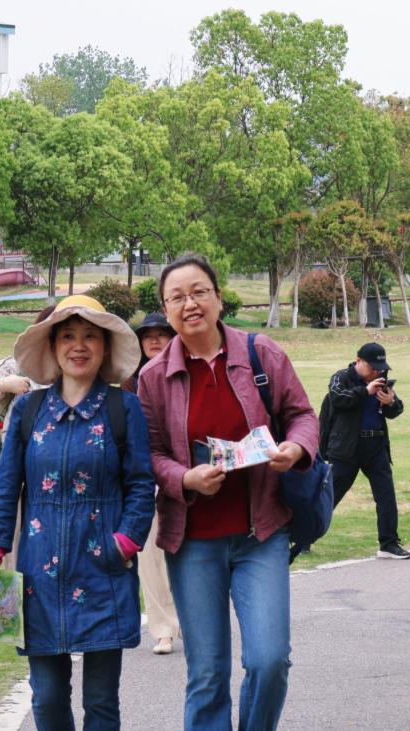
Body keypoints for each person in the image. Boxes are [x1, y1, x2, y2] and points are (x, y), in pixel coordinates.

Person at [137, 253, 319, 731]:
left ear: (219, 298)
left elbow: (302, 414)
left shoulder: (262, 353)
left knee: (269, 660)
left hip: (261, 534)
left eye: (199, 292)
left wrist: (296, 448)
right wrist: (184, 478)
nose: (190, 304)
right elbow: (149, 453)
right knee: (207, 674)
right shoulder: (153, 378)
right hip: (193, 540)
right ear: (166, 309)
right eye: (177, 297)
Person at [0, 295, 153, 731]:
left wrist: (124, 542)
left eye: (90, 336)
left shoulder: (123, 408)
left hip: (103, 570)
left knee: (101, 703)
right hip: (38, 575)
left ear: (105, 348)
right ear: (53, 348)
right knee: (48, 697)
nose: (79, 345)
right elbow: (6, 487)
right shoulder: (28, 410)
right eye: (68, 336)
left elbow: (141, 484)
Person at [0, 305, 56, 570]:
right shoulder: (17, 366)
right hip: (16, 468)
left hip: (60, 473)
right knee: (13, 547)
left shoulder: (77, 370)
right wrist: (3, 385)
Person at [121, 312, 181, 656]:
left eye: (162, 334)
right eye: (148, 336)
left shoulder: (185, 375)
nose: (155, 340)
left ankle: (189, 619)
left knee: (186, 554)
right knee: (149, 557)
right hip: (145, 481)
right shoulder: (129, 382)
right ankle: (162, 630)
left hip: (185, 478)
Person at [326, 342, 410, 560]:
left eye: (380, 368)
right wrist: (365, 391)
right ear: (358, 360)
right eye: (373, 367)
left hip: (376, 446)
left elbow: (396, 410)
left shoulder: (381, 381)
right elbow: (338, 399)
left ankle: (388, 544)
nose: (377, 372)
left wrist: (391, 402)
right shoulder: (341, 377)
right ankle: (302, 536)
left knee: (386, 495)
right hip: (346, 448)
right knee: (329, 495)